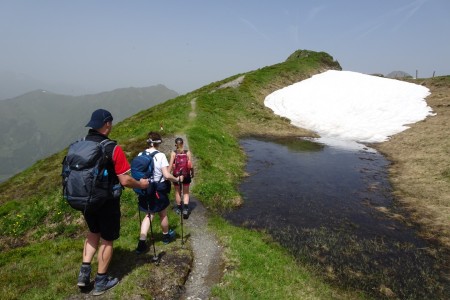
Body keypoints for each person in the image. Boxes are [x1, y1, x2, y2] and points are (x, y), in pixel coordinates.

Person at [77, 109, 150, 296]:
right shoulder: (112, 148)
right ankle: (101, 281)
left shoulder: (81, 144)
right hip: (106, 201)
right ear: (107, 124)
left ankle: (84, 275)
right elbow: (125, 180)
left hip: (86, 200)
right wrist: (141, 184)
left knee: (93, 232)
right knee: (107, 239)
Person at [135, 131, 183, 254]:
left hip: (145, 188)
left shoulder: (141, 154)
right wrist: (177, 179)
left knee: (149, 214)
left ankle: (142, 241)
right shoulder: (160, 155)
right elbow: (166, 175)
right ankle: (166, 236)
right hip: (158, 189)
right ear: (158, 143)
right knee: (162, 213)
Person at [169, 137, 194, 219]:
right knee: (186, 192)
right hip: (186, 175)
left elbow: (170, 165)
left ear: (175, 144)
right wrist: (192, 173)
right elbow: (190, 165)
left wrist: (168, 175)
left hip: (176, 175)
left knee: (177, 191)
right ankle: (186, 209)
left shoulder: (173, 153)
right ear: (183, 144)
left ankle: (179, 208)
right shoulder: (187, 152)